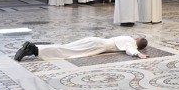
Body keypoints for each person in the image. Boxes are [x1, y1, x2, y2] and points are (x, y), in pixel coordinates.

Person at [14, 36, 148, 61]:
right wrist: (138, 54)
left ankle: (35, 48)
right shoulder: (131, 42)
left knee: (66, 48)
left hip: (95, 41)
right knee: (67, 52)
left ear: (137, 39)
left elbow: (131, 48)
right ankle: (34, 49)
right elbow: (131, 50)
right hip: (97, 46)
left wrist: (137, 51)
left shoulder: (128, 38)